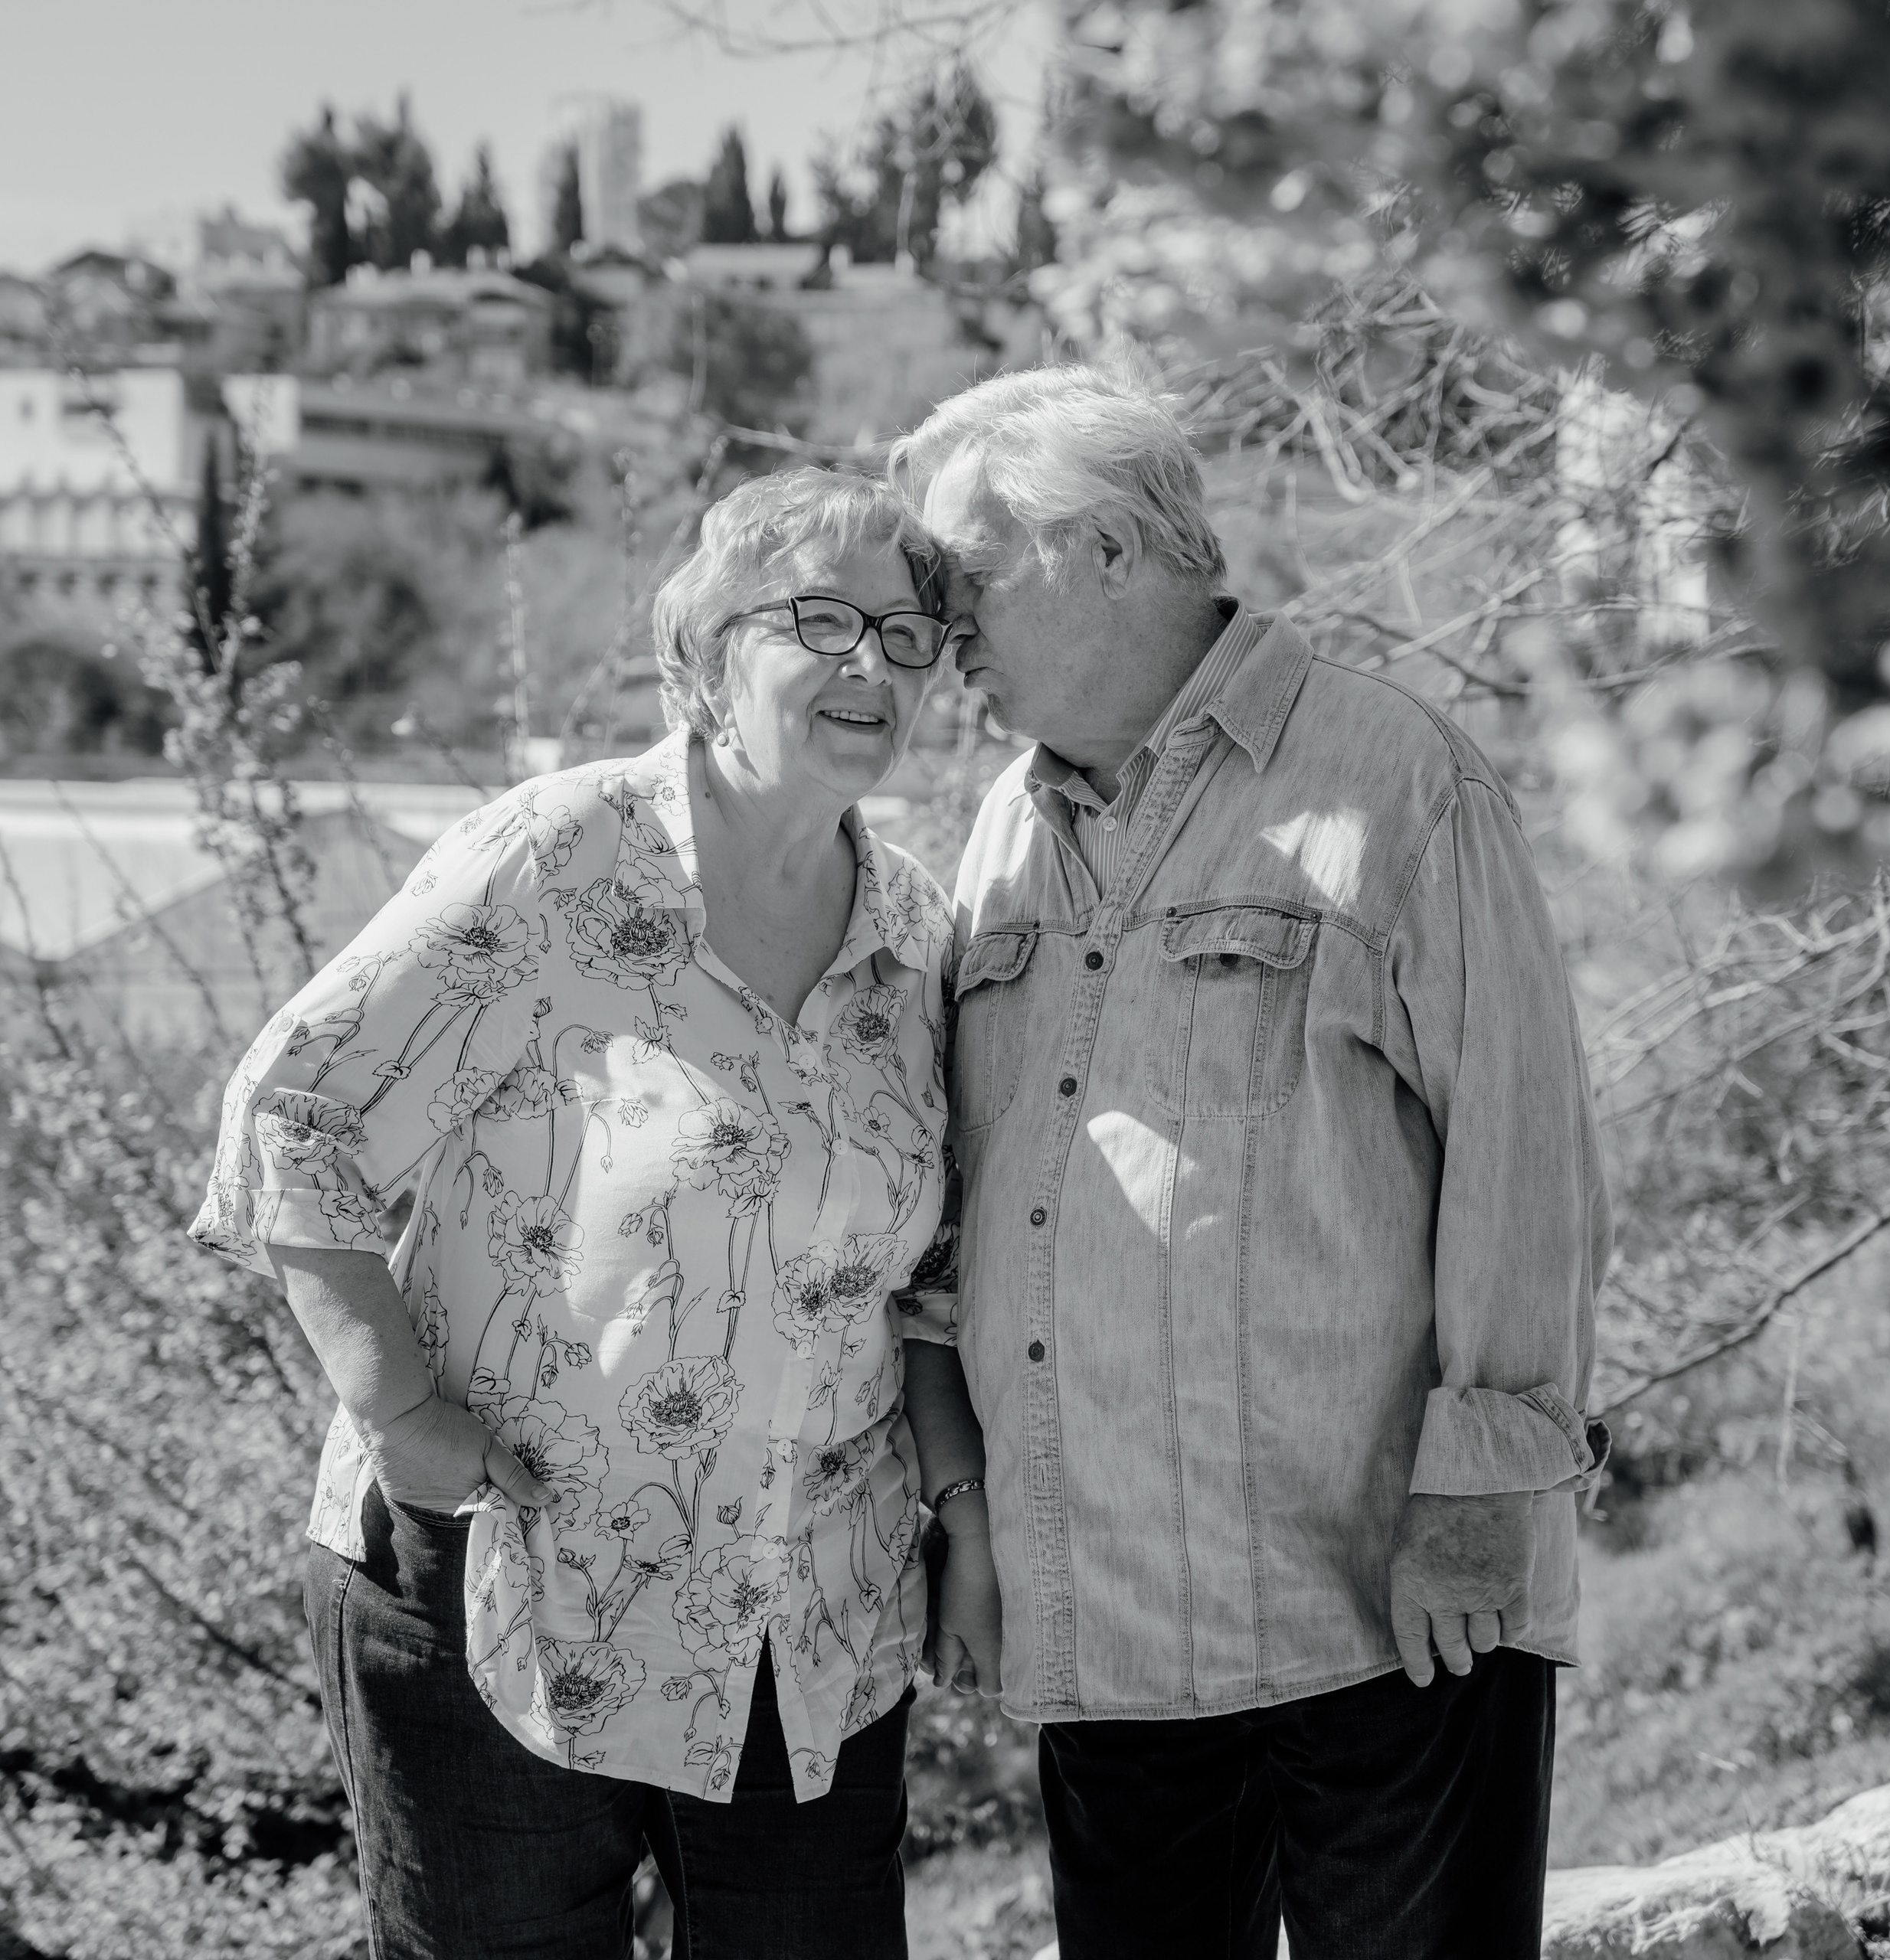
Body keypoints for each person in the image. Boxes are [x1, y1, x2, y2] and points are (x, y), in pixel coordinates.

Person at [188, 469, 1002, 1960]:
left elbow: (931, 1276)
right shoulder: (559, 854)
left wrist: (964, 1510)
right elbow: (295, 1106)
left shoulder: (915, 934)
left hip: (813, 1618)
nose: (873, 664)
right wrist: (398, 1408)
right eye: (824, 620)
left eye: (908, 635)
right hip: (507, 1579)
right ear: (704, 651)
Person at [890, 369, 1611, 1960]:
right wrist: (973, 1518)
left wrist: (1483, 1486)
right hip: (1111, 1635)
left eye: (965, 574)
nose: (939, 625)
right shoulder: (1002, 830)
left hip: (1388, 1611)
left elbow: (1527, 1160)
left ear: (1104, 549)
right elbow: (963, 1214)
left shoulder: (1393, 776)